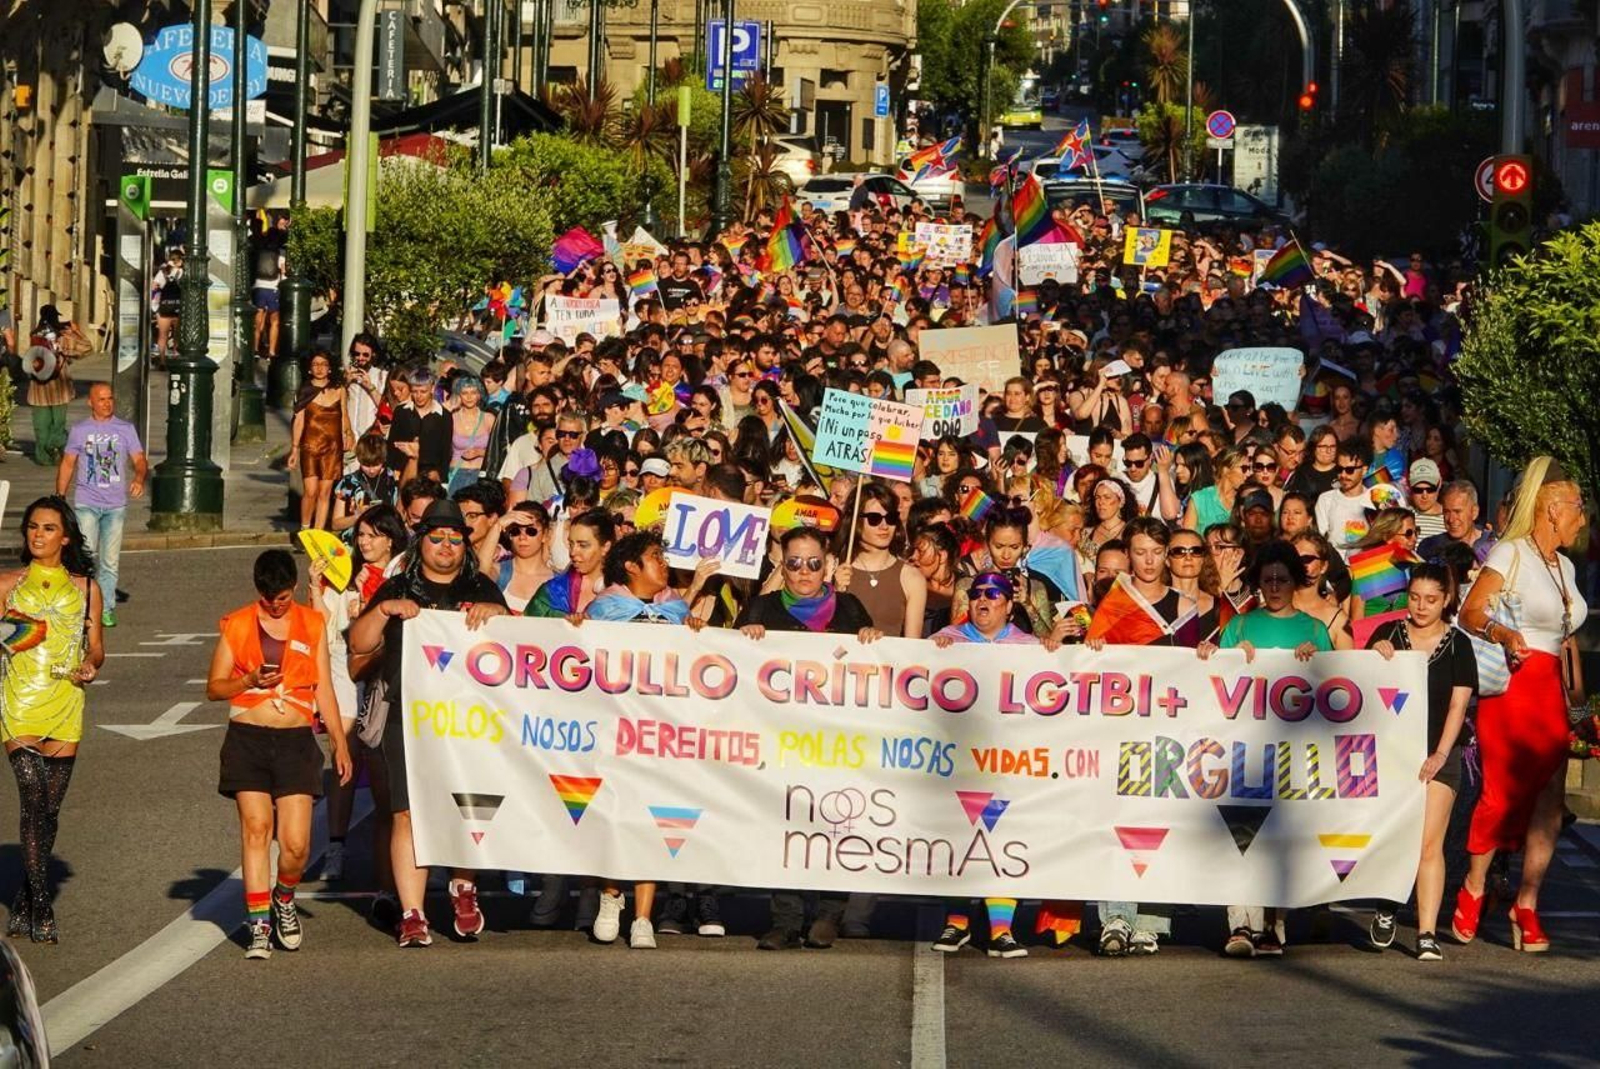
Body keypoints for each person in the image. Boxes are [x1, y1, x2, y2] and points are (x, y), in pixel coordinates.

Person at [347, 500, 508, 948]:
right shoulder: (399, 585)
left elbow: (519, 648)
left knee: (465, 804)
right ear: (421, 542)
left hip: (468, 716)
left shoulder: (482, 587)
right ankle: (412, 912)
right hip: (408, 714)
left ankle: (463, 886)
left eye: (455, 539)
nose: (446, 546)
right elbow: (358, 645)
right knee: (405, 811)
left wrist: (500, 616)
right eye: (437, 538)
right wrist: (383, 610)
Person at [1452, 458, 1587, 953]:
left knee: (1550, 797)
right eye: (1577, 507)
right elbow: (1470, 612)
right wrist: (1504, 633)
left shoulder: (1565, 567)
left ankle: (1526, 902)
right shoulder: (1510, 553)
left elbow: (1566, 639)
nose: (1583, 518)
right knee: (1501, 792)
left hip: (1550, 688)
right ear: (1552, 509)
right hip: (1513, 685)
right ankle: (1474, 886)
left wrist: (1578, 702)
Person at [738, 527, 882, 949]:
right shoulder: (761, 607)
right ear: (781, 566)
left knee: (838, 820)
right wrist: (744, 638)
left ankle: (829, 914)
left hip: (838, 740)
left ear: (829, 565)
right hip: (782, 739)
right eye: (794, 563)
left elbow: (874, 667)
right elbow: (730, 664)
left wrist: (872, 640)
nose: (804, 571)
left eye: (814, 563)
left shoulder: (850, 607)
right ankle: (785, 919)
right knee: (785, 823)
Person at [207, 549, 352, 960]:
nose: (275, 605)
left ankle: (283, 896)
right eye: (268, 598)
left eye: (283, 597)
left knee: (296, 846)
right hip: (248, 739)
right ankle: (259, 925)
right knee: (256, 829)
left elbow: (324, 687)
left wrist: (339, 743)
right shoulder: (237, 624)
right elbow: (214, 687)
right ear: (259, 591)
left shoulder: (311, 623)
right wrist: (248, 681)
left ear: (293, 588)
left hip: (295, 742)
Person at [1199, 540, 1332, 957]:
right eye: (1268, 580)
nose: (1274, 587)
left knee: (1281, 836)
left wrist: (1318, 660)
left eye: (1282, 580)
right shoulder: (1239, 626)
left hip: (1293, 748)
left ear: (1296, 583)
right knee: (1239, 832)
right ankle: (1240, 924)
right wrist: (1218, 654)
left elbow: (1337, 686)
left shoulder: (1315, 630)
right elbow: (1210, 675)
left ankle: (1274, 926)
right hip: (1242, 745)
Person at [578, 531, 704, 948]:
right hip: (615, 730)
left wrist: (696, 633)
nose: (663, 563)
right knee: (615, 815)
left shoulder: (676, 610)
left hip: (659, 732)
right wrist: (574, 630)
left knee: (652, 818)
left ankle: (643, 917)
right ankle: (611, 895)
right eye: (655, 556)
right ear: (632, 566)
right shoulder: (603, 610)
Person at [928, 571, 1055, 959]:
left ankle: (1001, 929)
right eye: (977, 594)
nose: (983, 600)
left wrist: (1056, 651)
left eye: (993, 594)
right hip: (959, 759)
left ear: (1009, 605)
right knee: (959, 841)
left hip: (1007, 760)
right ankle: (957, 923)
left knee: (1003, 838)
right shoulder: (947, 639)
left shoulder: (1028, 646)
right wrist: (932, 653)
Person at [1, 498, 104, 942]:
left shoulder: (86, 588)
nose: (37, 535)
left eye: (47, 528)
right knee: (32, 797)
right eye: (32, 527)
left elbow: (96, 647)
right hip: (19, 702)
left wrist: (91, 665)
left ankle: (26, 894)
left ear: (65, 538)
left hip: (66, 701)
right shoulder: (6, 583)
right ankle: (43, 904)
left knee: (49, 810)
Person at [1366, 564, 1476, 960]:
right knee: (1396, 836)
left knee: (1430, 842)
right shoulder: (1388, 633)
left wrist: (1440, 755)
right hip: (1391, 754)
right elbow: (1360, 687)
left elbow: (1458, 705)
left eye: (1431, 599)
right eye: (1414, 597)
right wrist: (1375, 657)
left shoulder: (1459, 644)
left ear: (1446, 600)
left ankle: (1427, 932)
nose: (1421, 606)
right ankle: (1387, 905)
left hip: (1439, 751)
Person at [55, 383, 146, 627]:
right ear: (91, 402)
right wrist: (59, 497)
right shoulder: (80, 430)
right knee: (84, 557)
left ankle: (105, 608)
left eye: (110, 399)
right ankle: (82, 607)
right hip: (87, 502)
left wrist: (139, 478)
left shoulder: (125, 429)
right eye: (102, 399)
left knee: (109, 561)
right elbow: (68, 463)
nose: (107, 403)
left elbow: (139, 459)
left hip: (115, 505)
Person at [835, 482, 927, 639]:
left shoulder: (911, 577)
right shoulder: (832, 566)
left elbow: (912, 645)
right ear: (855, 520)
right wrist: (835, 594)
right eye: (874, 518)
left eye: (891, 518)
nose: (884, 526)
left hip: (890, 655)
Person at [289, 352, 354, 533]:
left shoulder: (339, 389)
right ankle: (305, 529)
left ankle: (318, 533)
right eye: (315, 364)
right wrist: (294, 449)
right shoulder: (305, 391)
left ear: (330, 368)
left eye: (323, 364)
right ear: (309, 369)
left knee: (325, 492)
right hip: (310, 446)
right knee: (310, 491)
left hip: (333, 447)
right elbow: (299, 421)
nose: (319, 368)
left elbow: (344, 415)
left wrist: (348, 434)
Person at [27, 305, 86, 468]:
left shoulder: (34, 335)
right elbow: (86, 348)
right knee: (58, 426)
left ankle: (44, 458)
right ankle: (59, 447)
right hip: (59, 388)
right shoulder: (63, 336)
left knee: (41, 427)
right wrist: (76, 331)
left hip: (38, 389)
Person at [478, 502, 553, 613]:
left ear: (545, 535)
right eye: (515, 531)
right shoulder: (499, 572)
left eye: (531, 531)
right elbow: (481, 573)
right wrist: (497, 526)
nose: (522, 537)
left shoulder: (559, 582)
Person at [1314, 438, 1373, 557]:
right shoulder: (1325, 499)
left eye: (1350, 470)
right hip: (1334, 564)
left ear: (1364, 470)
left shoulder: (1374, 500)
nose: (1343, 475)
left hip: (1366, 565)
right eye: (1339, 469)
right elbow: (1318, 540)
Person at [447, 374, 496, 493]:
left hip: (480, 474)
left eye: (473, 393)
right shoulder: (452, 418)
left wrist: (480, 452)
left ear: (479, 395)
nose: (469, 397)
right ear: (459, 395)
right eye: (464, 393)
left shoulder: (489, 418)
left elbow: (496, 451)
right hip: (457, 473)